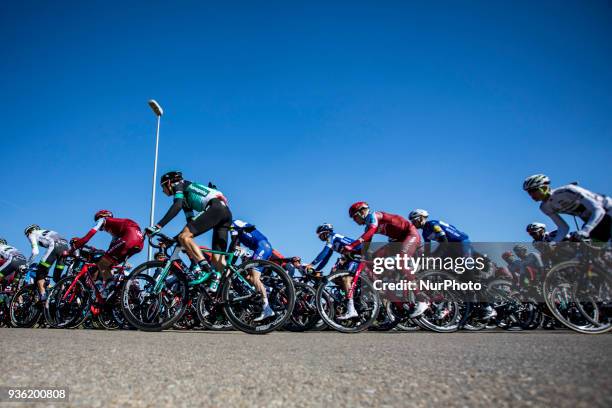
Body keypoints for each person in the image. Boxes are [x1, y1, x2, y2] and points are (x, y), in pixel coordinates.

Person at [145, 171, 232, 292]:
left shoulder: (178, 185)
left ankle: (205, 270)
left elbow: (177, 206)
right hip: (225, 212)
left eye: (163, 187)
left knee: (184, 237)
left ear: (169, 183)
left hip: (215, 208)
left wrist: (158, 226)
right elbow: (191, 223)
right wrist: (174, 240)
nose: (163, 191)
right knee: (218, 258)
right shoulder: (187, 195)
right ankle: (227, 288)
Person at [344, 201, 427, 319]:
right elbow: (366, 246)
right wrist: (355, 253)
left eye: (354, 217)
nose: (354, 220)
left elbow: (370, 232)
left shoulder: (374, 216)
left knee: (401, 263)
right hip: (398, 241)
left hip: (410, 234)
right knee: (373, 259)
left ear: (362, 212)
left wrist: (352, 245)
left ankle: (421, 300)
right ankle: (392, 291)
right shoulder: (368, 226)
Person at [71, 210, 144, 293]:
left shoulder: (103, 220)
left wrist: (75, 246)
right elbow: (110, 249)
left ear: (101, 216)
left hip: (130, 237)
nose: (101, 229)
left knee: (102, 264)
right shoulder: (116, 230)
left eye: (97, 220)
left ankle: (110, 288)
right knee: (108, 263)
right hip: (140, 241)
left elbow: (89, 235)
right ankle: (118, 292)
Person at [523, 174, 611, 242]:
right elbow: (563, 227)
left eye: (533, 190)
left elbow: (598, 210)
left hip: (607, 211)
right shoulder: (544, 207)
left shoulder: (568, 190)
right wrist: (554, 243)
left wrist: (586, 230)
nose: (531, 195)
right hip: (593, 220)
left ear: (544, 187)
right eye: (529, 192)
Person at [228, 219, 275, 321]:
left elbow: (233, 245)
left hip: (262, 247)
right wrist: (230, 263)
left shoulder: (233, 224)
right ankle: (267, 289)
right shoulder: (235, 227)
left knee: (255, 277)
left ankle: (267, 308)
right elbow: (236, 248)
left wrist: (228, 263)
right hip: (260, 248)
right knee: (249, 277)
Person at [24, 225, 70, 300]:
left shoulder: (32, 234)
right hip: (65, 247)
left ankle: (43, 297)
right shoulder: (45, 231)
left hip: (55, 246)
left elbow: (35, 252)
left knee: (40, 274)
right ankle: (63, 296)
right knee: (56, 278)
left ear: (29, 232)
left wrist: (27, 265)